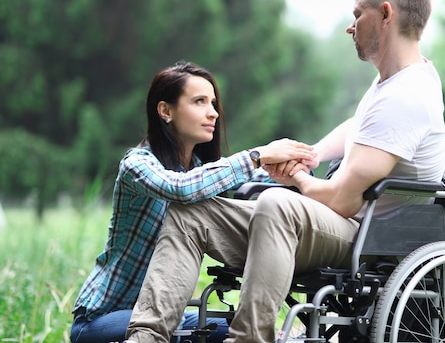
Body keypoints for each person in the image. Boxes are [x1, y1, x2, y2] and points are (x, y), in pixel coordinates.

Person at [125, 0, 445, 343]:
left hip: (370, 236)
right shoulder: (395, 82)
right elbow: (360, 127)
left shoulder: (406, 97)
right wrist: (309, 156)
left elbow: (342, 200)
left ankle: (248, 339)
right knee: (192, 213)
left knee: (279, 202)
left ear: (386, 14)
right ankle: (145, 338)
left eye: (358, 14)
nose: (351, 26)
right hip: (343, 226)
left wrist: (296, 178)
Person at [70, 61, 315, 343]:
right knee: (181, 333)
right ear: (165, 111)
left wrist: (296, 171)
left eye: (213, 103)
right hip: (103, 319)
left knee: (252, 334)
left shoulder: (201, 169)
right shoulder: (138, 165)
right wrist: (257, 155)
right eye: (199, 102)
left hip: (167, 311)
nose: (212, 113)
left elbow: (251, 183)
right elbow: (181, 189)